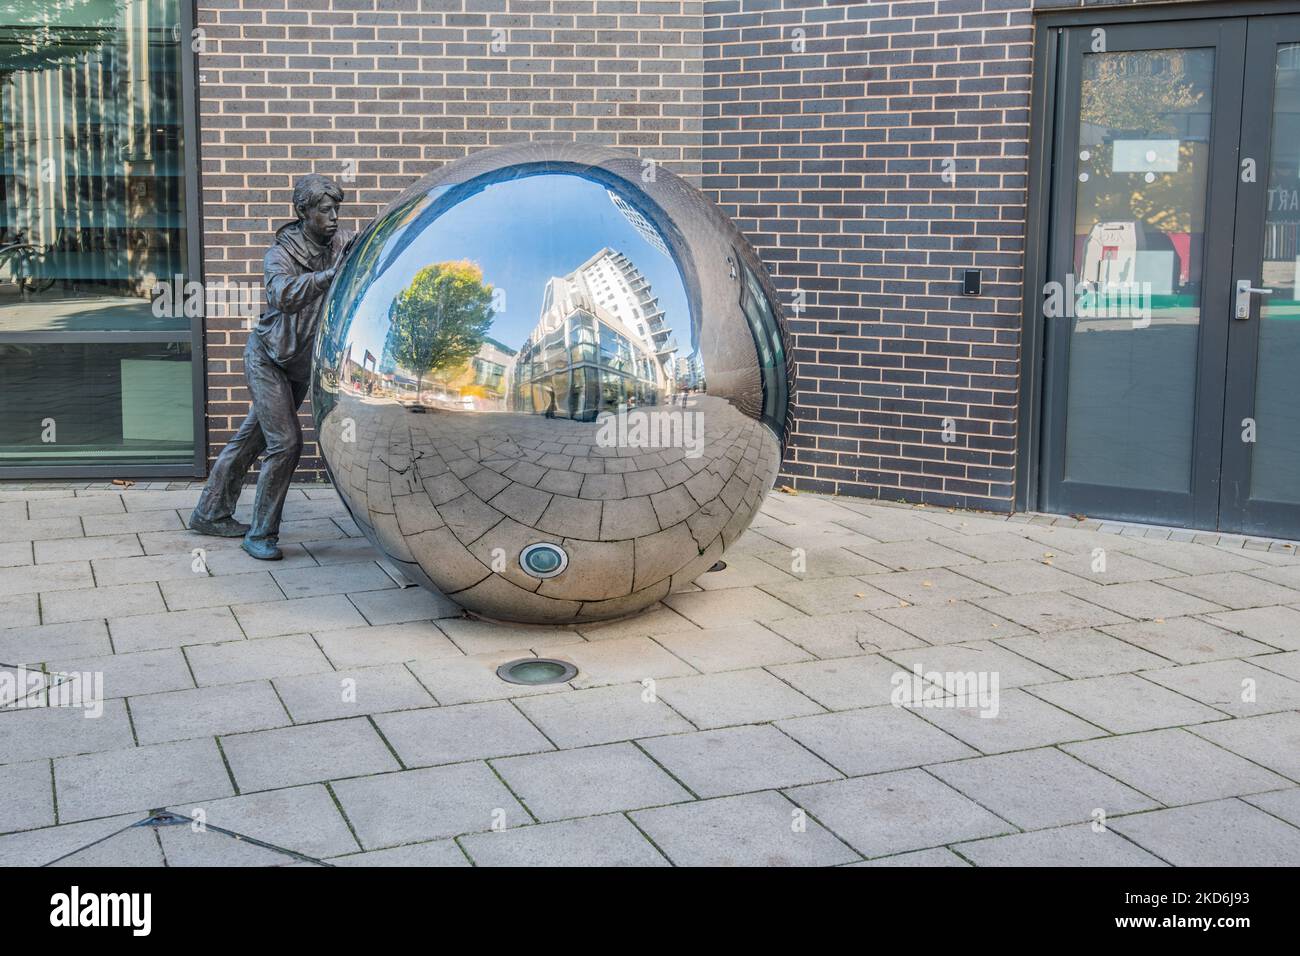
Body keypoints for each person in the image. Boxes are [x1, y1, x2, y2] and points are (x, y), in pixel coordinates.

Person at [189, 174, 357, 560]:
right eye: (325, 210)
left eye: (337, 209)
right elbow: (281, 294)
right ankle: (261, 534)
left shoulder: (344, 243)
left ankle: (209, 512)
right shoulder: (280, 253)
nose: (333, 217)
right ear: (302, 213)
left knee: (252, 438)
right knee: (286, 443)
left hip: (300, 364)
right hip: (269, 358)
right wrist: (328, 277)